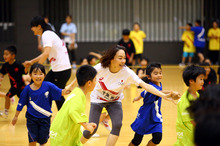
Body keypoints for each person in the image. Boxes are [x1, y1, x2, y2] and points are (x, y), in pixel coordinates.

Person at [65, 45, 180, 145]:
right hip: (98, 99)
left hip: (115, 100)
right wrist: (70, 86)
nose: (123, 61)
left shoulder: (127, 72)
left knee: (117, 124)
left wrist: (164, 96)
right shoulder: (101, 68)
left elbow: (146, 86)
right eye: (120, 58)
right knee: (92, 129)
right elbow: (84, 72)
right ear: (111, 59)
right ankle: (77, 144)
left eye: (124, 58)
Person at [11, 63, 68, 146]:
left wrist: (67, 90)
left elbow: (60, 92)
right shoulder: (27, 89)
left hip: (45, 119)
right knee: (32, 140)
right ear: (30, 75)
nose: (38, 76)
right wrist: (16, 116)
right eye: (35, 74)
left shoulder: (49, 86)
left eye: (41, 74)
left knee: (43, 140)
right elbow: (21, 103)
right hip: (31, 119)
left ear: (44, 75)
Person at [24, 16, 71, 110]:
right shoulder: (48, 34)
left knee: (58, 96)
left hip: (61, 71)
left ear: (38, 26)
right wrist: (32, 62)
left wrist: (36, 70)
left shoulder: (46, 34)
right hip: (57, 70)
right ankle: (42, 113)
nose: (31, 29)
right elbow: (45, 54)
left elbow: (46, 53)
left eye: (32, 26)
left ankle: (67, 118)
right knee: (44, 88)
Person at [129, 63, 175, 146]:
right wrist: (171, 92)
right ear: (149, 77)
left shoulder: (159, 83)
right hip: (145, 116)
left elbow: (143, 93)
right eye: (156, 73)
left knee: (157, 138)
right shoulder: (150, 86)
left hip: (155, 116)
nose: (159, 75)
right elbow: (159, 92)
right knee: (137, 140)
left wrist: (137, 98)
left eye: (160, 73)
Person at [50, 65, 97, 146]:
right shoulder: (78, 95)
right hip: (62, 135)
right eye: (95, 80)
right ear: (89, 83)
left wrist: (87, 124)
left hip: (65, 132)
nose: (96, 82)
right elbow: (73, 111)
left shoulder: (77, 92)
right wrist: (86, 125)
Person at [174, 65, 205, 146]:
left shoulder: (196, 95)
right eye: (201, 79)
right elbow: (192, 120)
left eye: (203, 79)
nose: (203, 82)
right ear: (191, 81)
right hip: (187, 136)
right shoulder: (186, 100)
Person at [0, 46, 28, 118]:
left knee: (24, 100)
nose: (4, 56)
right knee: (9, 96)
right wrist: (1, 78)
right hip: (14, 86)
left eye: (7, 54)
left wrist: (26, 67)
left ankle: (32, 112)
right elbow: (2, 74)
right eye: (4, 54)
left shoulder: (18, 64)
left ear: (13, 56)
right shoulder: (5, 65)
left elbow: (25, 73)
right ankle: (6, 112)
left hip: (20, 86)